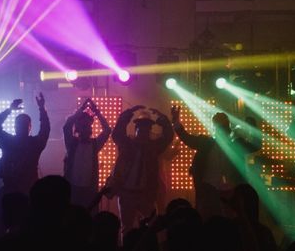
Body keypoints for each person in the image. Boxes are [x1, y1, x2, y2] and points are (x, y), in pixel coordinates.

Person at [171, 106, 255, 219]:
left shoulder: (235, 145)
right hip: (209, 189)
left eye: (223, 126)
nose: (222, 128)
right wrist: (176, 122)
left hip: (231, 190)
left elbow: (254, 147)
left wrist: (253, 128)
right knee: (209, 218)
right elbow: (187, 138)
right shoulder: (206, 143)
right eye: (220, 126)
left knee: (230, 220)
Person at [109, 106, 173, 234]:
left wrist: (163, 119)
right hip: (127, 193)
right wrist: (127, 114)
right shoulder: (127, 145)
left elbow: (168, 137)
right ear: (136, 129)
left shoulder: (153, 148)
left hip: (145, 193)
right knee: (127, 228)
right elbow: (116, 134)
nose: (144, 132)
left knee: (151, 227)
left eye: (146, 129)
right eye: (141, 129)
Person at [0, 94, 49, 196]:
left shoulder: (8, 141)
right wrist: (41, 108)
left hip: (10, 190)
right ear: (30, 127)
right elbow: (45, 129)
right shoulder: (35, 144)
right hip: (29, 190)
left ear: (14, 127)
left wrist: (9, 110)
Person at [63, 98, 111, 209]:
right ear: (78, 128)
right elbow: (67, 126)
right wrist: (80, 110)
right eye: (83, 125)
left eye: (87, 125)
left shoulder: (95, 144)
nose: (86, 128)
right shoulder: (72, 143)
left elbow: (107, 130)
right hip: (72, 190)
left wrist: (97, 112)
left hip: (89, 190)